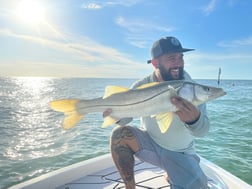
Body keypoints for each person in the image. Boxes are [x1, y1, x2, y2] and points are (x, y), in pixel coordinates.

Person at [103, 36, 209, 189]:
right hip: (151, 144)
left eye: (181, 57)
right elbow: (125, 119)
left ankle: (173, 170)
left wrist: (194, 120)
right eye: (172, 58)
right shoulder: (141, 85)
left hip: (181, 152)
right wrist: (115, 115)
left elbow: (203, 131)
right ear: (155, 63)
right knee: (119, 134)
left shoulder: (192, 89)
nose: (178, 63)